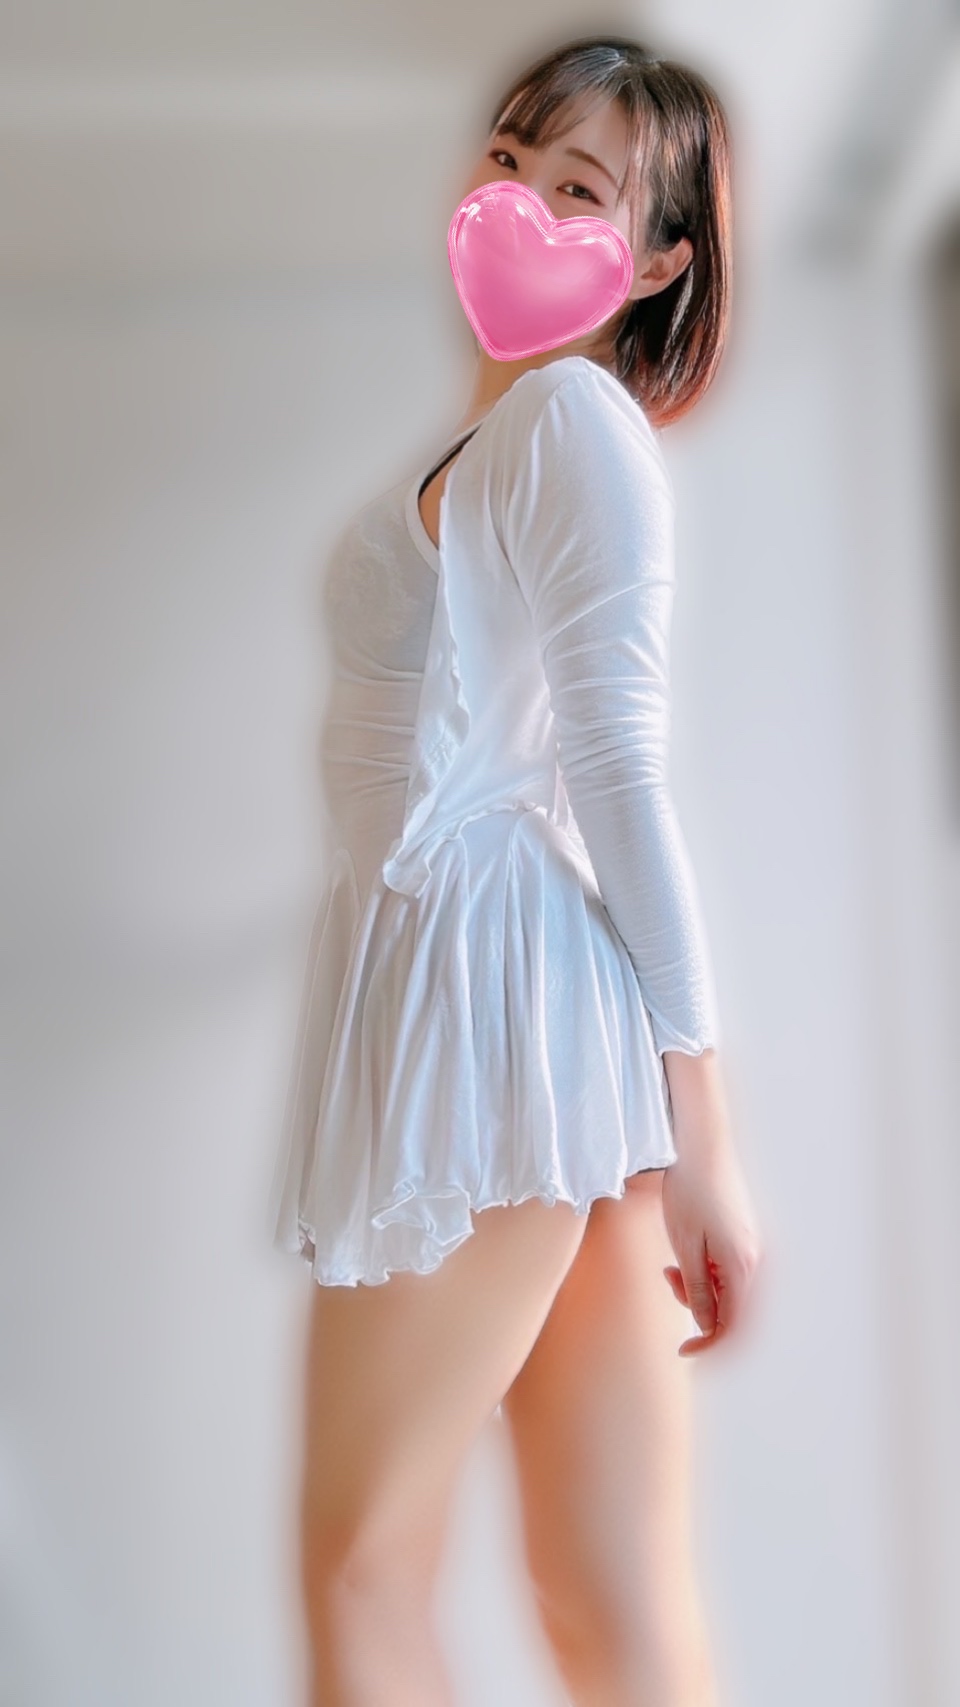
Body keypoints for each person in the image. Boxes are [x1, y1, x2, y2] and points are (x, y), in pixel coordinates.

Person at [269, 32, 764, 1707]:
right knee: (603, 1597)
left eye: (582, 188)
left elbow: (620, 773)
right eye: (509, 158)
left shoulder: (567, 419)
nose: (522, 202)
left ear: (661, 258)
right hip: (526, 1016)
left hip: (487, 1013)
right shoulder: (513, 437)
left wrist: (708, 1141)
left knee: (361, 1570)